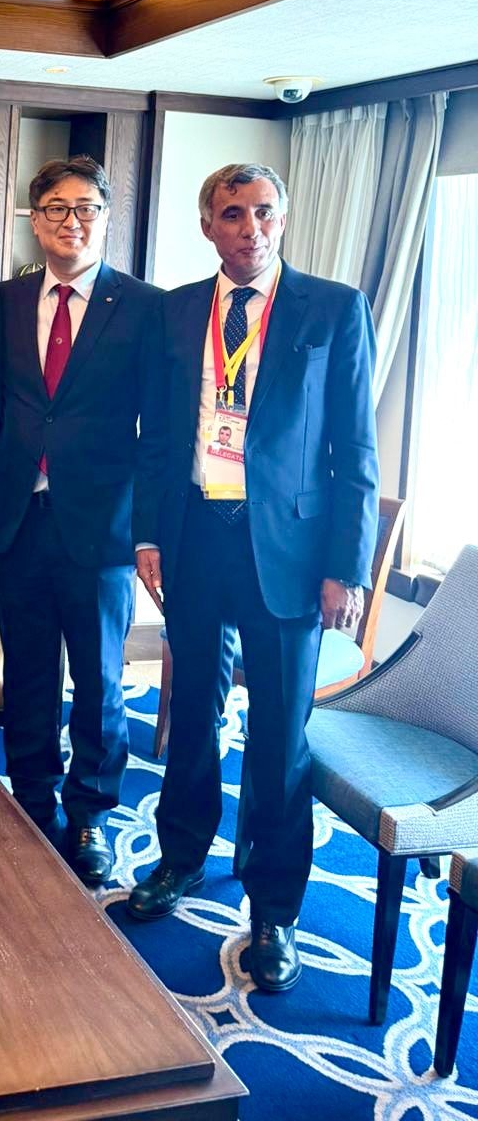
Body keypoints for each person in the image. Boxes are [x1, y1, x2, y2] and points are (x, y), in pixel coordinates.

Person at [129, 162, 378, 993]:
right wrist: (148, 535)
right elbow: (157, 437)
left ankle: (274, 908)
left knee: (278, 736)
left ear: (283, 219)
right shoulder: (174, 311)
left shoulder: (333, 308)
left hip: (291, 554)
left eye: (265, 212)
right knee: (191, 713)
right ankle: (180, 856)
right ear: (209, 225)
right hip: (196, 535)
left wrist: (347, 567)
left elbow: (356, 449)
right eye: (233, 214)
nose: (251, 228)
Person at [0, 157, 161, 883]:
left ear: (106, 218)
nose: (72, 221)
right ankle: (31, 799)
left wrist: (147, 528)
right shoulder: (3, 300)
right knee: (25, 673)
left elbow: (160, 428)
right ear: (36, 221)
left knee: (99, 681)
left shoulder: (144, 306)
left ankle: (91, 813)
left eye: (86, 207)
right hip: (19, 514)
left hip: (101, 525)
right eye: (56, 208)